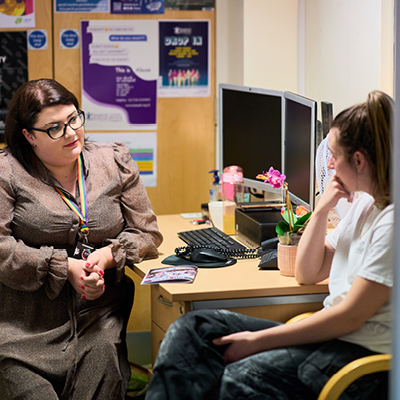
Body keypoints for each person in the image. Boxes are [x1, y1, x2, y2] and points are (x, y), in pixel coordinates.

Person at [145, 90, 393, 400]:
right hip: (332, 338)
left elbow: (349, 317)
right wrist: (322, 209)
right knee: (195, 328)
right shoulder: (363, 205)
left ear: (358, 160)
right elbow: (307, 273)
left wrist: (258, 341)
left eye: (333, 154)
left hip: (357, 358)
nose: (328, 164)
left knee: (238, 376)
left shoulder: (391, 224)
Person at [0, 79, 163, 399]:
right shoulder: (7, 172)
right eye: (55, 128)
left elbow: (148, 233)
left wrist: (109, 255)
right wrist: (64, 267)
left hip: (98, 321)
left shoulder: (114, 161)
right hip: (25, 329)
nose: (72, 132)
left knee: (102, 379)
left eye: (74, 119)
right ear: (29, 135)